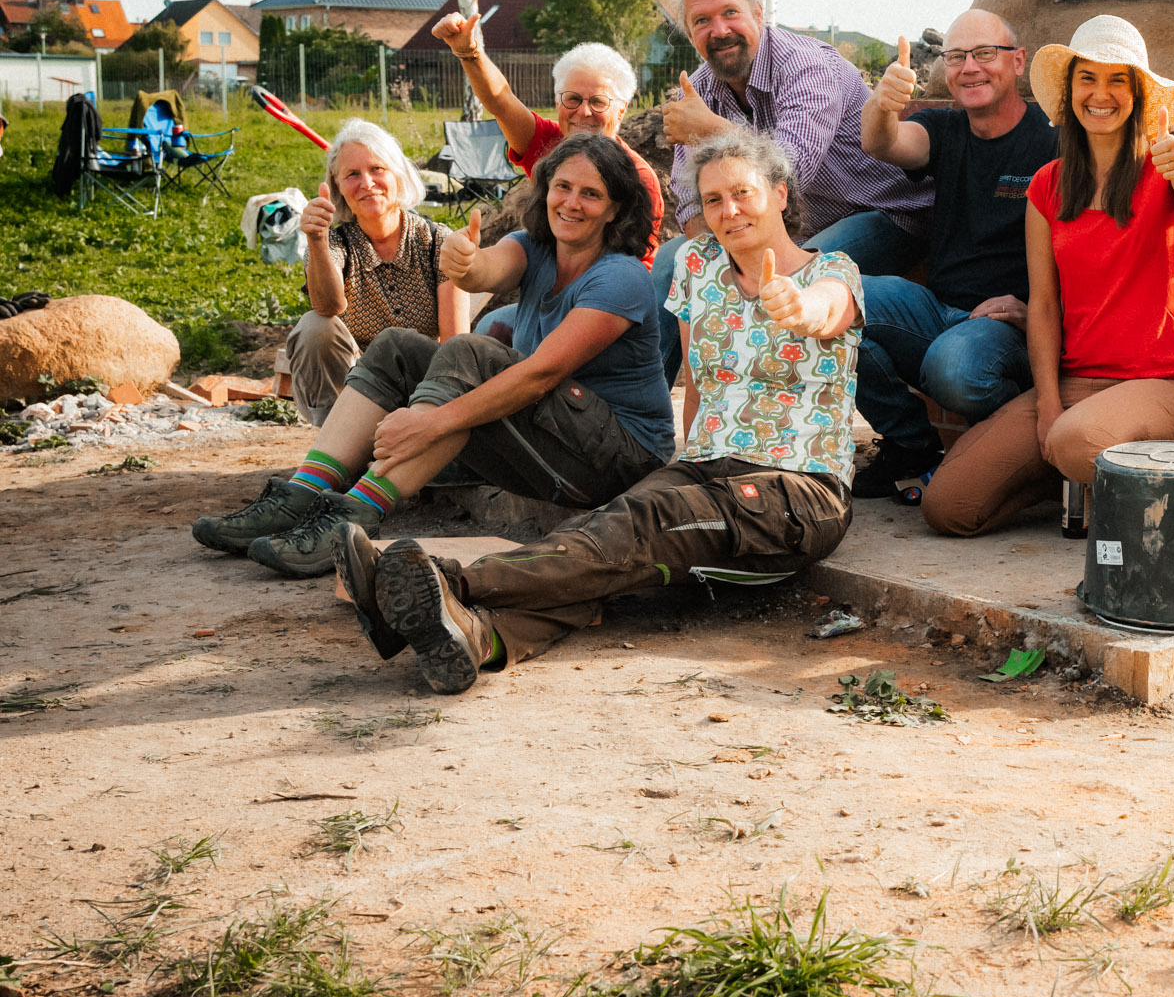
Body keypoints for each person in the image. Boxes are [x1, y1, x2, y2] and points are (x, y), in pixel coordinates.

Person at [329, 130, 864, 693]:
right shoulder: (701, 268)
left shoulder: (832, 272)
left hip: (796, 490)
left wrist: (800, 308)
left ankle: (446, 585)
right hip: (703, 468)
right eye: (712, 200)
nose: (727, 211)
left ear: (780, 193)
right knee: (606, 544)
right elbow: (700, 387)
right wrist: (683, 468)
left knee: (635, 529)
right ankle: (480, 637)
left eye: (743, 194)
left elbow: (826, 311)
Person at [192, 135, 674, 576]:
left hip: (618, 460)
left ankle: (352, 517)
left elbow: (540, 375)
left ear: (615, 210)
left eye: (590, 194)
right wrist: (466, 261)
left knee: (470, 351)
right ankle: (301, 494)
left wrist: (432, 423)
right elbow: (488, 269)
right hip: (557, 438)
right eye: (562, 186)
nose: (571, 203)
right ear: (545, 189)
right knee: (397, 346)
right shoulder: (534, 247)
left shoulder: (621, 278)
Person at [918, 15, 1174, 537]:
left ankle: (1133, 475)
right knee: (948, 505)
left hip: (1163, 385)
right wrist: (1048, 403)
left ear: (1139, 93)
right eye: (1088, 79)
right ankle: (1066, 478)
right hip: (1075, 387)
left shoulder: (1170, 164)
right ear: (1071, 89)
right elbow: (1046, 304)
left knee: (1078, 441)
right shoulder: (1047, 185)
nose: (1101, 94)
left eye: (1118, 80)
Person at [849, 9, 1057, 499]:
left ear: (1018, 62)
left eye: (985, 54)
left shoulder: (1051, 141)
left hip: (1008, 329)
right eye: (957, 57)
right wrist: (882, 103)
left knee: (955, 368)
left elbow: (1085, 251)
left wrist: (1036, 315)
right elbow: (882, 142)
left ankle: (1018, 451)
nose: (970, 68)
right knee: (831, 300)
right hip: (937, 312)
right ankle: (912, 443)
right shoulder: (942, 129)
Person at [657, 0, 930, 278]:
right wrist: (714, 262)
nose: (720, 30)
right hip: (784, 231)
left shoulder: (806, 66)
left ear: (757, 13)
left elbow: (791, 170)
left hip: (882, 213)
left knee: (790, 275)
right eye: (702, 20)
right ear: (690, 35)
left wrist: (712, 130)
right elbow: (690, 198)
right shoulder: (697, 90)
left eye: (731, 12)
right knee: (671, 263)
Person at [426, 20, 665, 269]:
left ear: (622, 108)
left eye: (598, 101)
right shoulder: (547, 143)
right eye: (572, 99)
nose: (583, 112)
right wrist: (468, 51)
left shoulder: (638, 178)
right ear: (557, 101)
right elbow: (502, 102)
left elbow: (634, 267)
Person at [284, 120, 466, 426]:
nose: (367, 183)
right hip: (352, 392)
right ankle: (336, 437)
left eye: (377, 169)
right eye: (352, 175)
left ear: (398, 174)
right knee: (315, 326)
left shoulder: (437, 241)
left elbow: (455, 345)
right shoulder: (332, 243)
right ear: (338, 187)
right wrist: (315, 240)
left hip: (422, 390)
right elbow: (328, 307)